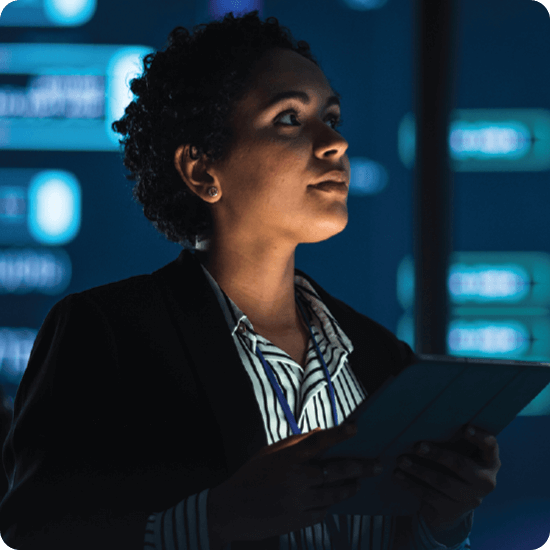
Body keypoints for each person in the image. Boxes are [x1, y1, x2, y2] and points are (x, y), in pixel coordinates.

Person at [0, 10, 496, 550]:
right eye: (289, 118)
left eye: (332, 117)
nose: (335, 143)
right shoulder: (106, 334)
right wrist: (213, 520)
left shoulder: (384, 358)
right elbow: (33, 533)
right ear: (202, 169)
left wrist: (442, 521)